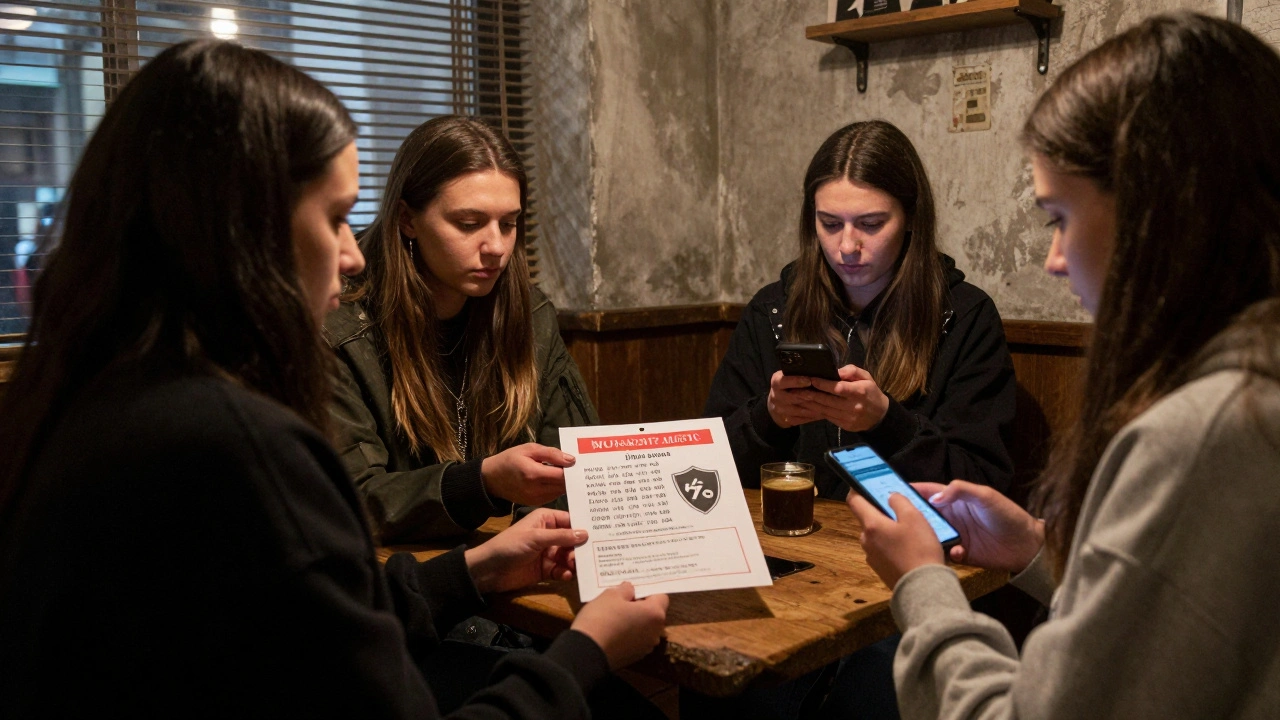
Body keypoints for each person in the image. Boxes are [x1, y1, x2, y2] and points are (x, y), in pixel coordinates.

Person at [0, 39, 667, 718]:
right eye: (335, 218)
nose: (353, 255)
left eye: (509, 225)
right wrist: (583, 652)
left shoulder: (85, 399)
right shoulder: (235, 445)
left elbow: (292, 625)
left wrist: (477, 569)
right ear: (241, 229)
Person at [849, 13, 1280, 719]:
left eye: (1058, 217)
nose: (1053, 259)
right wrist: (1035, 549)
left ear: (1156, 210)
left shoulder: (1202, 435)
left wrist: (923, 581)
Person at [704, 119, 1016, 504]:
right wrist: (769, 417)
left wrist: (888, 423)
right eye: (830, 223)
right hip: (794, 544)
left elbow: (983, 489)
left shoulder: (964, 316)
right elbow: (710, 469)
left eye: (871, 224)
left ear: (911, 217)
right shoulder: (773, 309)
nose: (847, 246)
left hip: (911, 548)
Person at [325, 115, 597, 544]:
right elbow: (350, 500)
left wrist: (541, 531)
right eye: (469, 224)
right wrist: (483, 483)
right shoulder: (339, 320)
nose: (496, 247)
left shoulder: (529, 313)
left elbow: (578, 467)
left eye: (509, 224)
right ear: (407, 220)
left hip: (503, 569)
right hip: (396, 582)